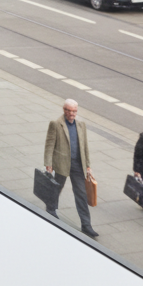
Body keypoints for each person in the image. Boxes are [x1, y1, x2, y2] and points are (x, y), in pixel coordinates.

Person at [44, 99, 98, 238]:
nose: (71, 113)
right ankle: (51, 209)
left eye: (74, 111)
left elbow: (85, 146)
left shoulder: (81, 125)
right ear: (64, 110)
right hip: (62, 163)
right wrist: (48, 163)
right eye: (68, 110)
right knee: (57, 188)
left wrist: (88, 165)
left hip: (78, 165)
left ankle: (86, 225)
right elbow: (49, 144)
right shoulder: (56, 124)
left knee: (81, 194)